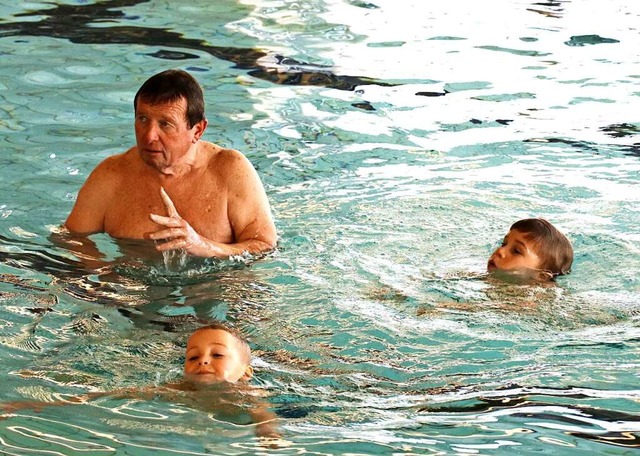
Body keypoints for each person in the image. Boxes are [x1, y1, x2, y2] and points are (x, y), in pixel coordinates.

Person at [64, 69, 277, 259]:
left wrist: (203, 246)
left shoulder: (231, 170)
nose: (149, 136)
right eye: (143, 119)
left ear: (197, 130)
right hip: (131, 293)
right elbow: (69, 239)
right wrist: (101, 274)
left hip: (217, 289)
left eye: (165, 124)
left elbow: (265, 246)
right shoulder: (111, 175)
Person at [1, 323, 281, 440]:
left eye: (217, 354)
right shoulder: (176, 388)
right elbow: (116, 394)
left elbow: (264, 418)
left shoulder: (248, 394)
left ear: (245, 372)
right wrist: (36, 403)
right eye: (192, 357)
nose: (202, 361)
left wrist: (269, 439)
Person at [487, 218, 573, 281]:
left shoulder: (533, 296)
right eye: (504, 244)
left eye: (516, 251)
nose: (500, 251)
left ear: (541, 276)